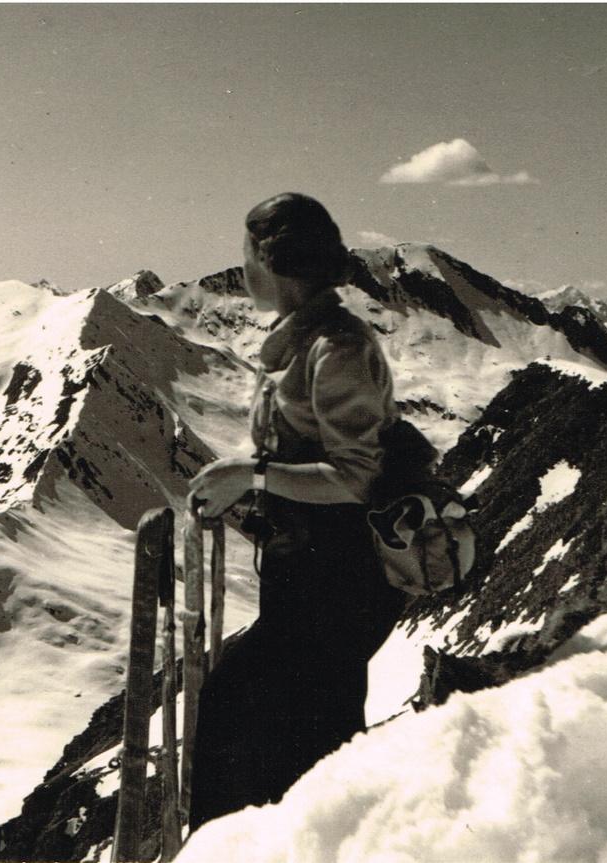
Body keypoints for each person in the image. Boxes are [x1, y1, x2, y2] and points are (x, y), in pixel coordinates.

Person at [185, 192, 406, 830]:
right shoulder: (306, 340)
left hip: (338, 578)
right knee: (303, 744)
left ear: (270, 258)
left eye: (246, 252)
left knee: (258, 725)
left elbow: (359, 477)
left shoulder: (333, 348)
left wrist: (251, 475)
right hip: (313, 576)